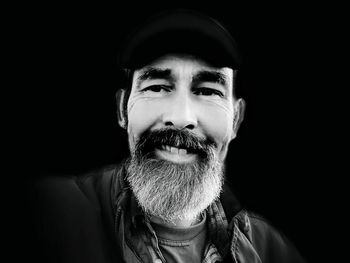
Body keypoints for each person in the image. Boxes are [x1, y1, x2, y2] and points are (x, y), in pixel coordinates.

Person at [31, 9, 307, 263]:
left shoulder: (271, 251)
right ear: (121, 109)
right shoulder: (49, 217)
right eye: (157, 87)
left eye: (208, 91)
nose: (181, 117)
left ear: (235, 119)